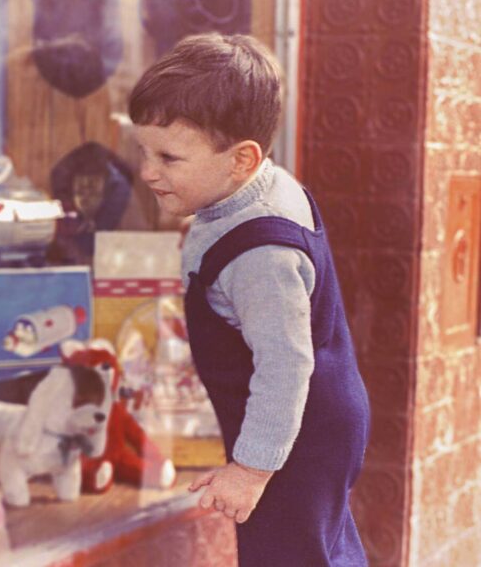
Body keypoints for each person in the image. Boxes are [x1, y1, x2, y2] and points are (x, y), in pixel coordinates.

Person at [127, 33, 370, 566]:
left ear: (242, 159)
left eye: (168, 157)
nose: (147, 171)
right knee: (319, 549)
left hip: (299, 437)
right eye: (143, 151)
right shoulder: (254, 189)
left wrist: (252, 470)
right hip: (312, 419)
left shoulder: (260, 256)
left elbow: (285, 366)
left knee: (288, 556)